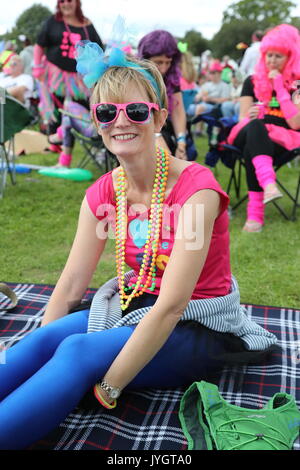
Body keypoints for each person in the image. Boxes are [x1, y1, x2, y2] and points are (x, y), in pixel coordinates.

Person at [0, 42, 278, 450]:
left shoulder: (195, 190)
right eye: (107, 112)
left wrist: (108, 387)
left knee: (77, 352)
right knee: (46, 340)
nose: (121, 121)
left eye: (136, 110)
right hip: (138, 302)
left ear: (160, 116)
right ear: (96, 121)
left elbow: (172, 304)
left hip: (200, 324)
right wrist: (45, 351)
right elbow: (72, 284)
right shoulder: (103, 193)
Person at [227, 24, 300, 233]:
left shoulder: (297, 85)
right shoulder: (251, 81)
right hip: (247, 131)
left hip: (281, 140)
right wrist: (252, 115)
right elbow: (242, 117)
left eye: (279, 56)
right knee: (256, 128)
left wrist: (279, 85)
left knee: (254, 149)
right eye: (269, 55)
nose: (272, 61)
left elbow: (296, 122)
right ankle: (268, 184)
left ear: (291, 57)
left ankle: (255, 216)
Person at [33, 0, 104, 143]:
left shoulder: (87, 24)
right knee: (54, 107)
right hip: (55, 75)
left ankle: (83, 135)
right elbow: (39, 45)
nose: (66, 4)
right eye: (62, 1)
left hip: (80, 79)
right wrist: (37, 66)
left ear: (77, 3)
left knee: (79, 107)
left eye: (69, 1)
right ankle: (54, 143)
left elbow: (99, 49)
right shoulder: (53, 22)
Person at [137, 30, 188, 160]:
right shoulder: (135, 77)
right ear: (145, 59)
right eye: (158, 62)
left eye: (168, 62)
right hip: (139, 127)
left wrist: (181, 142)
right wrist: (156, 136)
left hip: (164, 125)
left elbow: (178, 110)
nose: (164, 68)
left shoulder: (172, 77)